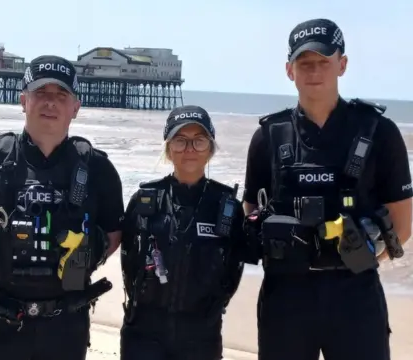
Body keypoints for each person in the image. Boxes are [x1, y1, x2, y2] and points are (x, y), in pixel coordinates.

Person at [243, 19, 412, 360]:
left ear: (342, 64)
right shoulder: (269, 136)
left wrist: (359, 257)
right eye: (305, 63)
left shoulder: (379, 131)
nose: (314, 71)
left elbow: (403, 223)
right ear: (290, 70)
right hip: (285, 297)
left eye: (324, 61)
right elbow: (253, 211)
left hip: (355, 295)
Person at [0, 55, 124, 360]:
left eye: (61, 95)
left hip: (66, 329)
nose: (50, 103)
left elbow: (113, 234)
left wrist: (79, 259)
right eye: (41, 93)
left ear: (76, 108)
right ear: (23, 100)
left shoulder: (98, 169)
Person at [120, 105, 245, 360]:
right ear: (168, 147)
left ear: (210, 148)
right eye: (180, 141)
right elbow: (128, 261)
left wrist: (215, 307)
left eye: (198, 141)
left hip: (201, 334)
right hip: (144, 332)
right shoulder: (144, 200)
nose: (189, 149)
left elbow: (235, 266)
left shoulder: (226, 205)